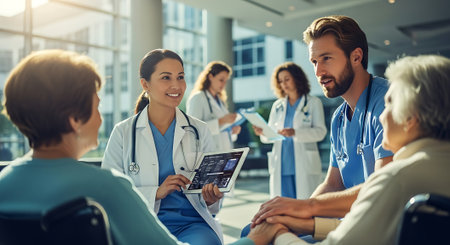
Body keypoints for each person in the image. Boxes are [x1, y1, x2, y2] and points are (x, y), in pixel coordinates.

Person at [252, 54, 450, 245]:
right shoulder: (439, 166)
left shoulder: (397, 179)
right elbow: (374, 229)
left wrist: (278, 235)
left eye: (389, 104)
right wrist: (308, 223)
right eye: (314, 61)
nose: (381, 116)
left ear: (411, 119)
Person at [0, 49, 186, 244]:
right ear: (74, 119)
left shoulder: (4, 185)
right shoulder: (106, 187)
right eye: (97, 106)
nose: (99, 119)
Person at [250, 15, 394, 239]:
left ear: (356, 56)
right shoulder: (338, 117)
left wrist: (307, 208)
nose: (318, 72)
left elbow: (383, 189)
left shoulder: (387, 102)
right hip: (345, 221)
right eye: (314, 62)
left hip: (377, 227)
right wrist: (298, 212)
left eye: (326, 58)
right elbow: (333, 183)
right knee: (257, 230)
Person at [102, 49, 224, 245]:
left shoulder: (199, 130)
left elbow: (212, 197)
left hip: (192, 225)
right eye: (166, 77)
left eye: (180, 77)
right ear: (145, 84)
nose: (176, 85)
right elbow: (110, 193)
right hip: (142, 224)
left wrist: (211, 199)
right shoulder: (123, 133)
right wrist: (156, 192)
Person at [252, 62, 326, 199]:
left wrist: (295, 133)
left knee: (303, 205)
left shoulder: (313, 102)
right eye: (280, 81)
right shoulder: (278, 105)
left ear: (297, 78)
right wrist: (262, 132)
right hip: (281, 163)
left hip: (304, 164)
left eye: (287, 79)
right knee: (283, 205)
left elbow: (321, 132)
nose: (283, 84)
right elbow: (271, 135)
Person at [187, 61, 241, 151]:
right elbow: (193, 130)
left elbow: (223, 132)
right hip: (208, 152)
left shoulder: (221, 101)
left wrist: (233, 131)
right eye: (221, 80)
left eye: (226, 81)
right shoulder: (198, 98)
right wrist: (221, 121)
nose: (223, 84)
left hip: (225, 152)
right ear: (210, 77)